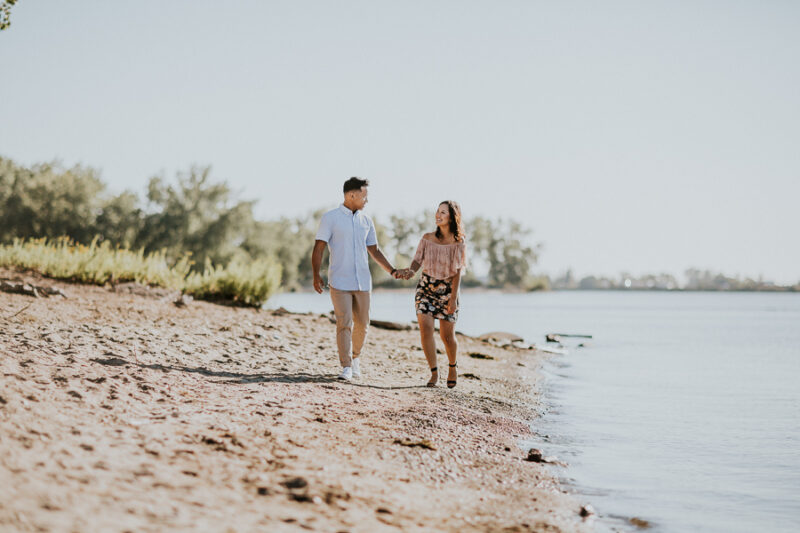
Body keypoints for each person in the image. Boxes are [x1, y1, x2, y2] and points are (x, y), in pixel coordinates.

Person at [312, 177, 400, 381]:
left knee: (362, 323)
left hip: (363, 281)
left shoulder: (366, 221)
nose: (366, 201)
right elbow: (319, 248)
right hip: (339, 281)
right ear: (351, 195)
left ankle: (356, 357)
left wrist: (392, 271)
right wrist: (316, 275)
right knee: (344, 323)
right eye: (364, 196)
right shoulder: (330, 218)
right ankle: (346, 366)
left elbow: (374, 250)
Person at [397, 201, 467, 388]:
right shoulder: (427, 238)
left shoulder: (458, 242)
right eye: (437, 211)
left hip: (448, 290)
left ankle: (452, 366)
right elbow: (417, 261)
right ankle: (434, 372)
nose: (438, 215)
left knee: (447, 336)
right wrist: (410, 271)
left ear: (452, 217)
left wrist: (453, 298)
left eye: (443, 212)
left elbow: (458, 272)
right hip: (426, 287)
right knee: (425, 327)